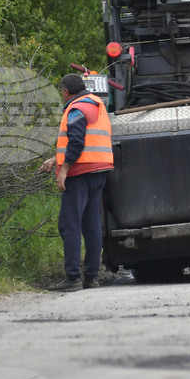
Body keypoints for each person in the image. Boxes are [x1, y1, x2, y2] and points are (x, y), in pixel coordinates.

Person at [38, 74, 113, 292]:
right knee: (91, 226)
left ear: (65, 91)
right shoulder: (97, 104)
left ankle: (72, 279)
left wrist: (64, 172)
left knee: (69, 225)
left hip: (80, 173)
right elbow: (87, 140)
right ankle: (91, 277)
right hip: (98, 171)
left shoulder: (76, 109)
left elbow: (77, 142)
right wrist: (55, 160)